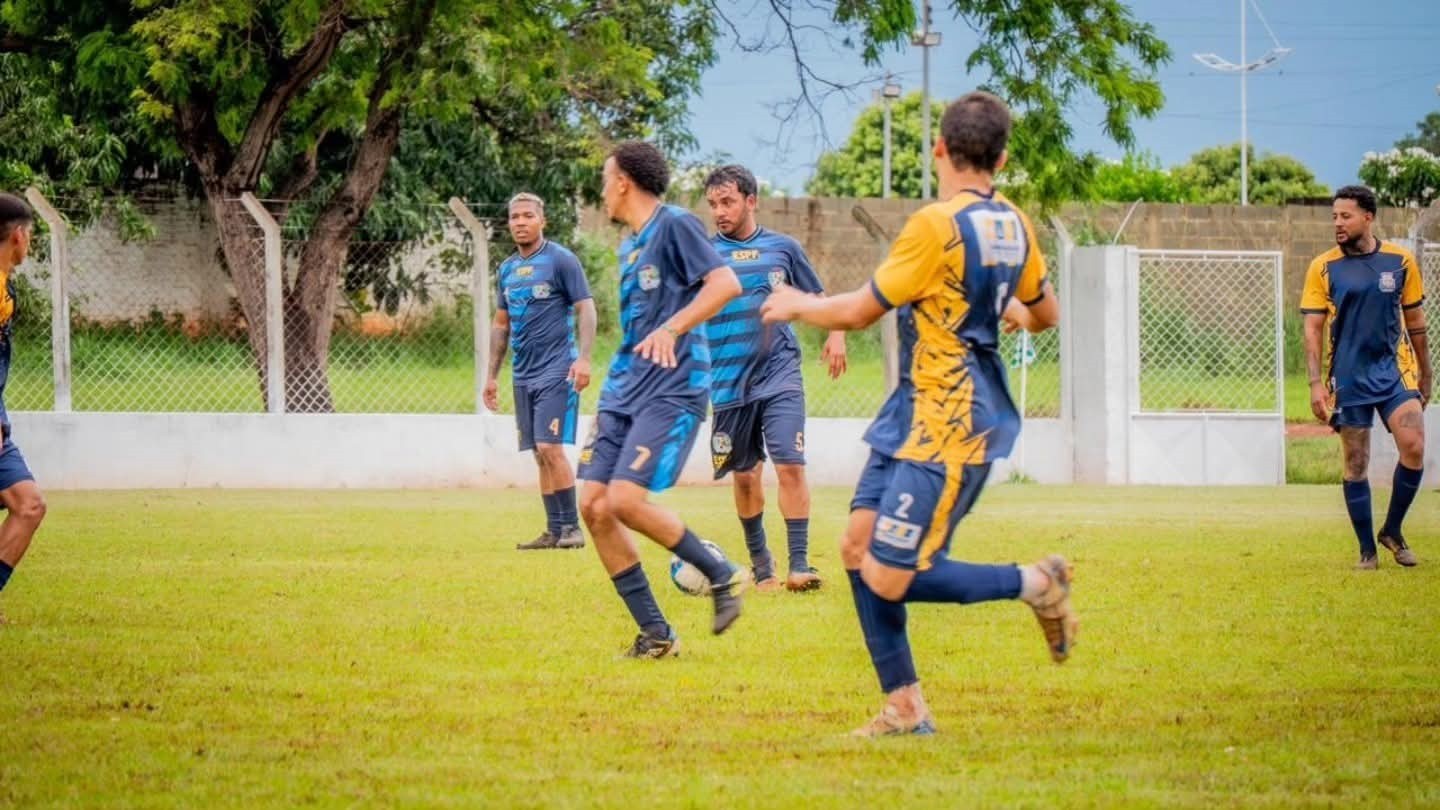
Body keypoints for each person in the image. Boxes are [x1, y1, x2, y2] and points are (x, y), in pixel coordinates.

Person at [761, 92, 1076, 736]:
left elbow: (859, 310)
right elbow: (1045, 313)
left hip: (951, 418)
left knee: (892, 572)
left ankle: (1036, 583)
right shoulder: (1014, 222)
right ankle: (904, 707)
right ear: (1002, 159)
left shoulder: (934, 224)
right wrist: (998, 309)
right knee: (856, 548)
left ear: (939, 148)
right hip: (911, 410)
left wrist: (795, 304)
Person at [577, 141, 746, 658]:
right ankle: (656, 635)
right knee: (594, 506)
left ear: (623, 181)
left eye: (605, 179)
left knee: (624, 501)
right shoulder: (630, 245)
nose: (603, 191)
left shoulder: (675, 225)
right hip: (624, 389)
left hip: (673, 388)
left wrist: (673, 328)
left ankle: (719, 572)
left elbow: (725, 283)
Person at [702, 164, 846, 592]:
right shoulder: (704, 255)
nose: (719, 211)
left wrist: (836, 333)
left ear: (751, 201)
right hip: (728, 382)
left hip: (780, 374)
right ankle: (762, 564)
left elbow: (818, 297)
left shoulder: (784, 248)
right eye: (713, 204)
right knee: (745, 476)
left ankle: (800, 565)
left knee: (790, 463)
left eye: (727, 202)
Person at [1302, 185, 1430, 570]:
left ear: (1368, 217)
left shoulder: (1400, 261)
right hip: (1349, 376)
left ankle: (1392, 530)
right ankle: (1367, 552)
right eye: (1334, 217)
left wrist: (1426, 372)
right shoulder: (1323, 266)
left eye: (1346, 216)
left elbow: (1416, 322)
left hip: (1395, 371)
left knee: (1414, 446)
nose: (1338, 223)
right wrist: (1315, 383)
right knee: (1356, 462)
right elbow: (1312, 329)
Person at [485, 192, 597, 550]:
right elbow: (500, 324)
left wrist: (584, 359)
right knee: (538, 452)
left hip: (558, 369)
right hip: (523, 374)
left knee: (550, 446)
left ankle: (572, 529)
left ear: (542, 221)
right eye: (514, 216)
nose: (520, 222)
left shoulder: (561, 260)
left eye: (528, 216)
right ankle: (554, 530)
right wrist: (491, 376)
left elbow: (586, 308)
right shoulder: (506, 270)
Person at [0, 193, 49, 623]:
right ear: (18, 235)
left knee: (28, 504)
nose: (29, 242)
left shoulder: (4, 287)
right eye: (30, 234)